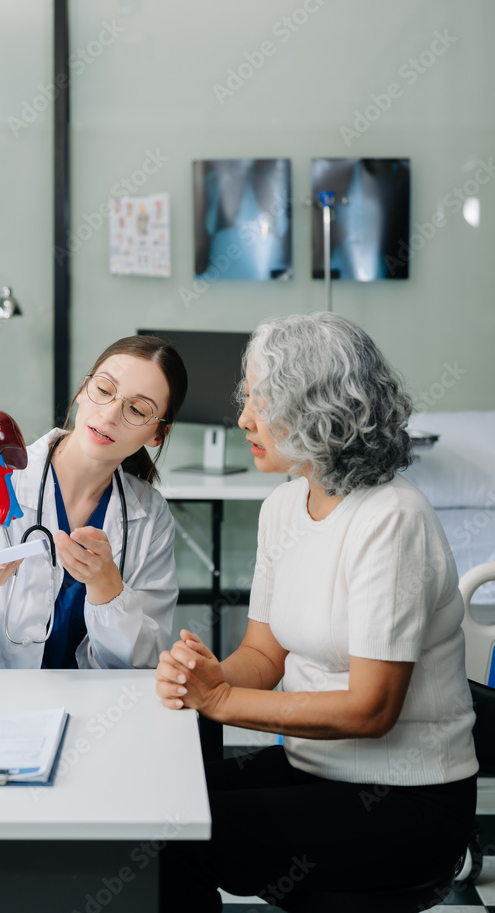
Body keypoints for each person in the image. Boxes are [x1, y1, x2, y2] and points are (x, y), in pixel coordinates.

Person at [155, 312, 477, 909]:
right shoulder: (283, 507)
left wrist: (220, 702)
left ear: (320, 410)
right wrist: (208, 675)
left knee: (178, 840)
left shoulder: (392, 519)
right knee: (155, 803)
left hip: (409, 798)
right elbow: (262, 654)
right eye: (246, 397)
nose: (244, 418)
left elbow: (372, 708)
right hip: (316, 771)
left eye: (263, 400)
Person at [0, 335, 187, 669]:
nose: (110, 414)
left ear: (157, 435)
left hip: (93, 710)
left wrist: (109, 589)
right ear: (83, 390)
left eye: (138, 410)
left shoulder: (149, 516)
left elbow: (144, 661)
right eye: (103, 390)